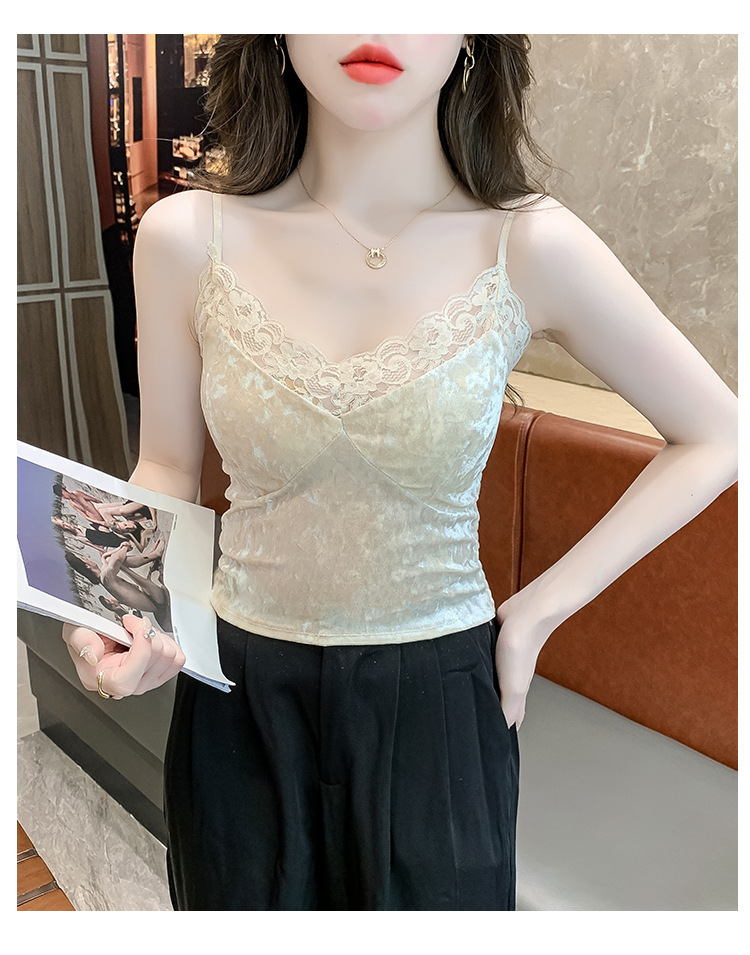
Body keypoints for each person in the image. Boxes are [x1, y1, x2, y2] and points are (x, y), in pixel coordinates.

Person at [62, 35, 737, 911]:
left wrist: (535, 613)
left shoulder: (527, 243)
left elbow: (717, 433)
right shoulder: (187, 236)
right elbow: (167, 464)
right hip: (241, 697)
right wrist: (120, 605)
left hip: (441, 703)